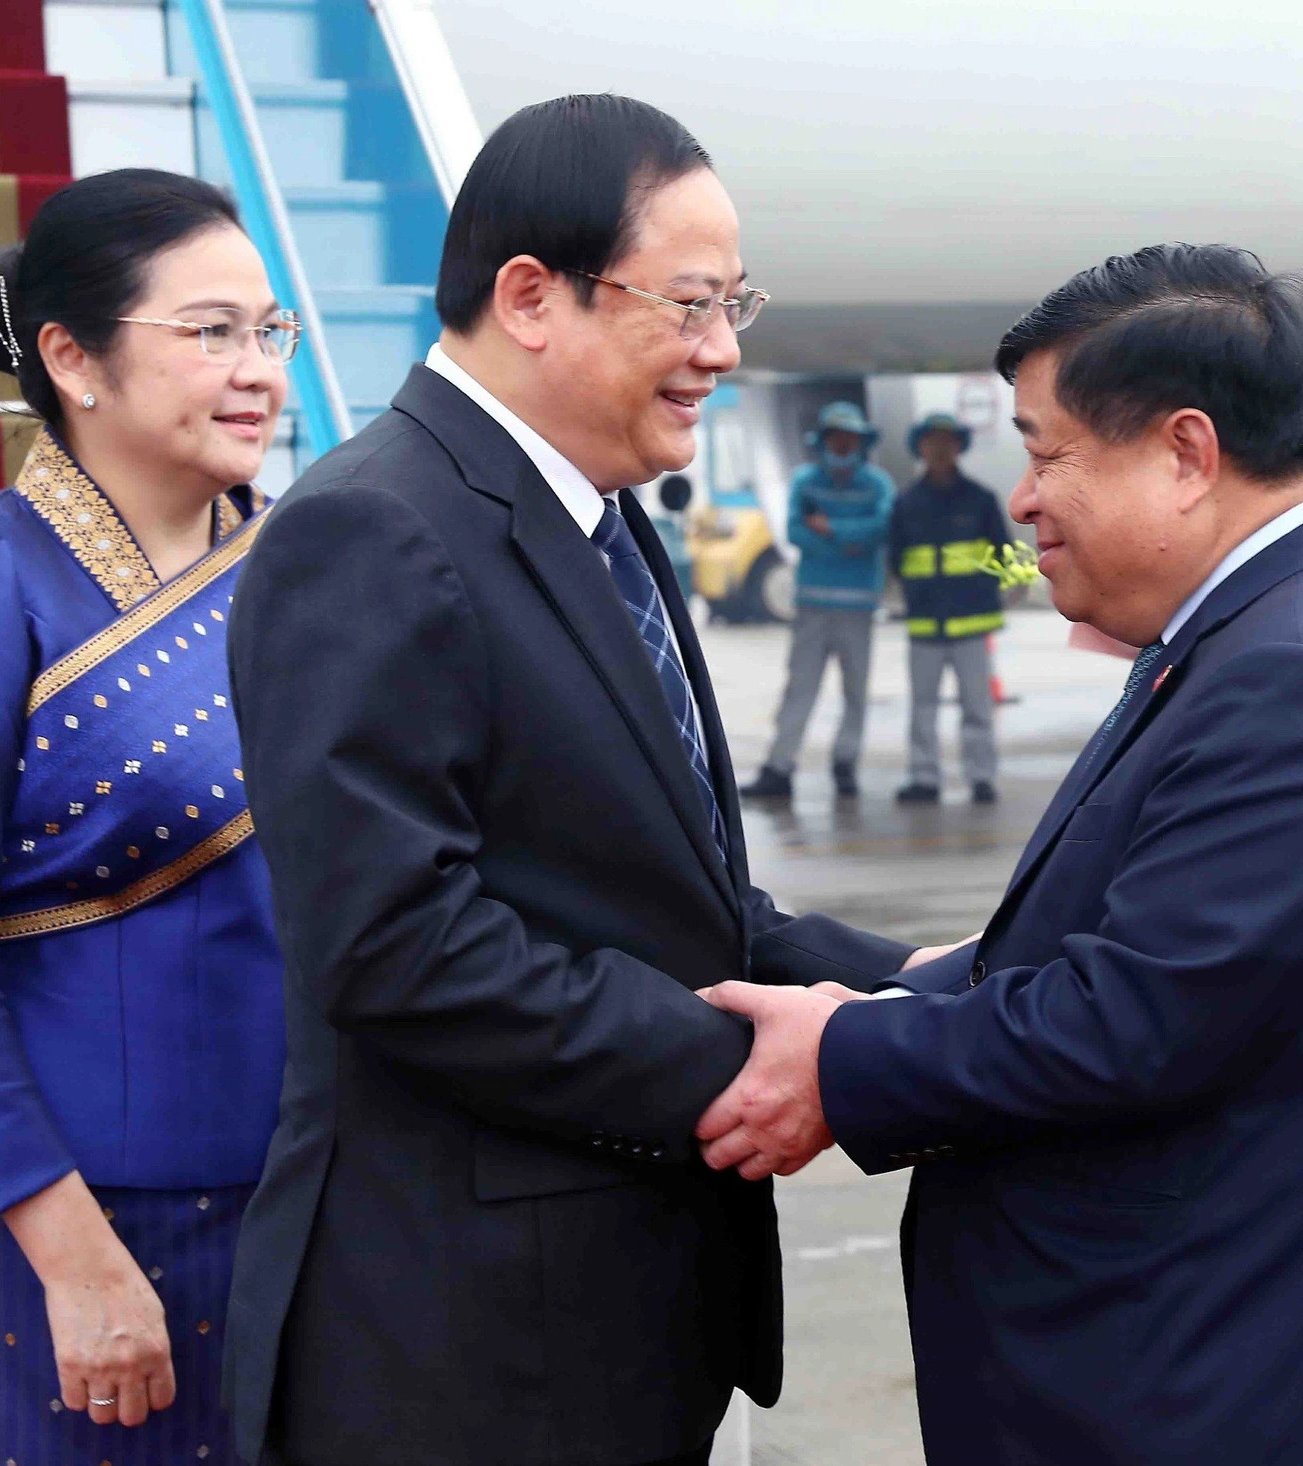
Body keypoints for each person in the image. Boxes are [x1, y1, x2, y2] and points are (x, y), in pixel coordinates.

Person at [692, 244, 1303, 1464]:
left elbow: (1132, 1015)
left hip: (1225, 1381)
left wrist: (841, 1057)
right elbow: (1129, 949)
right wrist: (871, 976)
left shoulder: (1298, 673)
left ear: (1184, 452)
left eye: (1047, 450)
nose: (1021, 496)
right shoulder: (1260, 626)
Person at [221, 95, 914, 1466]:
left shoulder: (595, 514)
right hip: (469, 1350)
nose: (723, 350)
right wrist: (771, 1066)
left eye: (738, 304)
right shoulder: (374, 529)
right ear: (532, 296)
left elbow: (660, 896)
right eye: (692, 303)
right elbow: (399, 945)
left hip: (616, 1313)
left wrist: (918, 981)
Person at [0, 169, 290, 1462]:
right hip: (68, 1215)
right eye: (210, 330)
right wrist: (75, 1256)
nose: (256, 367)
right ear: (70, 356)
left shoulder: (300, 568)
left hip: (297, 1193)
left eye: (269, 331)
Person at [738, 401, 896, 804]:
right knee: (799, 689)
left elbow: (882, 529)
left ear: (860, 442)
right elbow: (794, 532)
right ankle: (779, 767)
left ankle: (846, 765)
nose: (842, 444)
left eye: (849, 438)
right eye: (835, 437)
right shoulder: (805, 481)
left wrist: (830, 529)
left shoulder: (877, 484)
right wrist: (851, 540)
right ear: (824, 440)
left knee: (855, 692)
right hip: (812, 608)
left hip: (858, 609)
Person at [887, 411, 1010, 806]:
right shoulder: (906, 503)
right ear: (921, 448)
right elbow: (896, 559)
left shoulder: (981, 500)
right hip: (925, 623)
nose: (939, 449)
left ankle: (981, 778)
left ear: (958, 447)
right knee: (922, 709)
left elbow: (1001, 554)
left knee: (977, 707)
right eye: (932, 442)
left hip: (972, 623)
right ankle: (924, 778)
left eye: (947, 441)